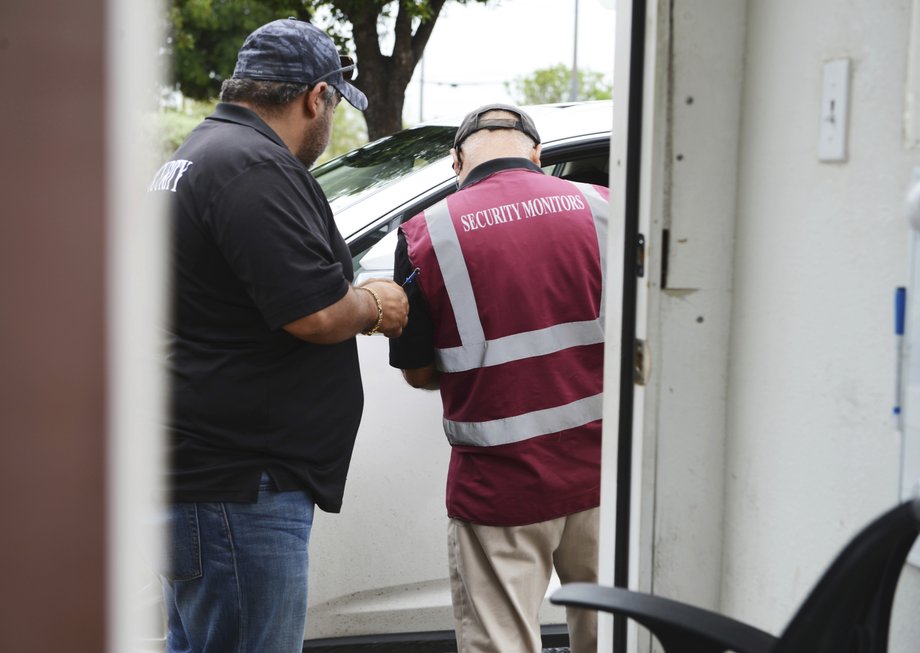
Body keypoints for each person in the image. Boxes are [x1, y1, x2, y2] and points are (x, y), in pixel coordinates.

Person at [148, 18, 409, 653]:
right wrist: (374, 302)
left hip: (210, 474)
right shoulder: (251, 167)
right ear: (315, 97)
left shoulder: (194, 157)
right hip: (240, 485)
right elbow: (314, 313)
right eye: (332, 107)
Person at [389, 104, 610, 653]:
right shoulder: (606, 206)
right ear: (536, 153)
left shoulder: (425, 234)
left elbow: (418, 372)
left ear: (456, 160)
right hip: (605, 472)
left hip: (500, 485)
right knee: (613, 634)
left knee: (501, 642)